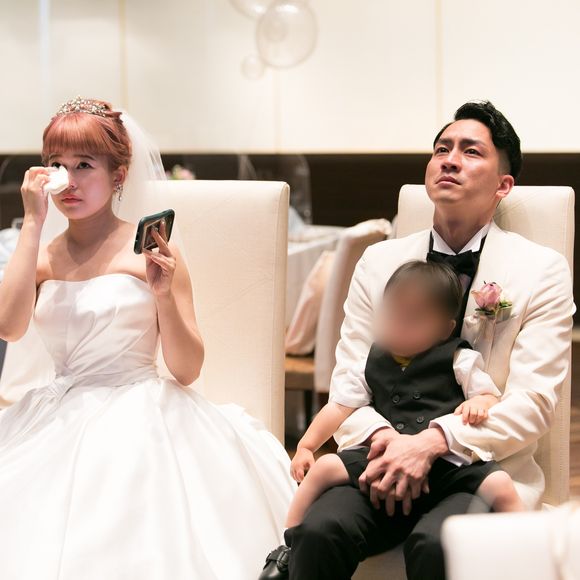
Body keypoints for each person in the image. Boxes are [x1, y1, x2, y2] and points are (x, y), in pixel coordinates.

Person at [0, 97, 295, 580]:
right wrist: (32, 223)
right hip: (57, 408)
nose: (67, 180)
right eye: (57, 164)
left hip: (138, 408)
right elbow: (9, 327)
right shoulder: (43, 254)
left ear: (119, 175)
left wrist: (162, 295)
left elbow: (187, 369)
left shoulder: (152, 251)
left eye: (84, 165)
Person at [280, 101, 575, 580]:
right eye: (442, 149)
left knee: (440, 545)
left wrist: (436, 441)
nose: (450, 160)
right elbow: (350, 383)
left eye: (471, 151)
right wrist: (389, 444)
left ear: (503, 185)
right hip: (377, 461)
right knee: (318, 532)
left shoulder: (540, 271)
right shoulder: (378, 263)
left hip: (476, 468)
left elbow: (534, 403)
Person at [259, 260, 524, 578]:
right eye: (392, 316)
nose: (400, 327)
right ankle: (289, 543)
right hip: (380, 459)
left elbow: (490, 396)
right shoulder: (370, 361)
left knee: (498, 483)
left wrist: (479, 404)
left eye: (413, 320)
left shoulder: (459, 359)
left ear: (444, 329)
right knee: (326, 468)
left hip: (444, 466)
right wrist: (306, 445)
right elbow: (339, 407)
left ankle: (526, 554)